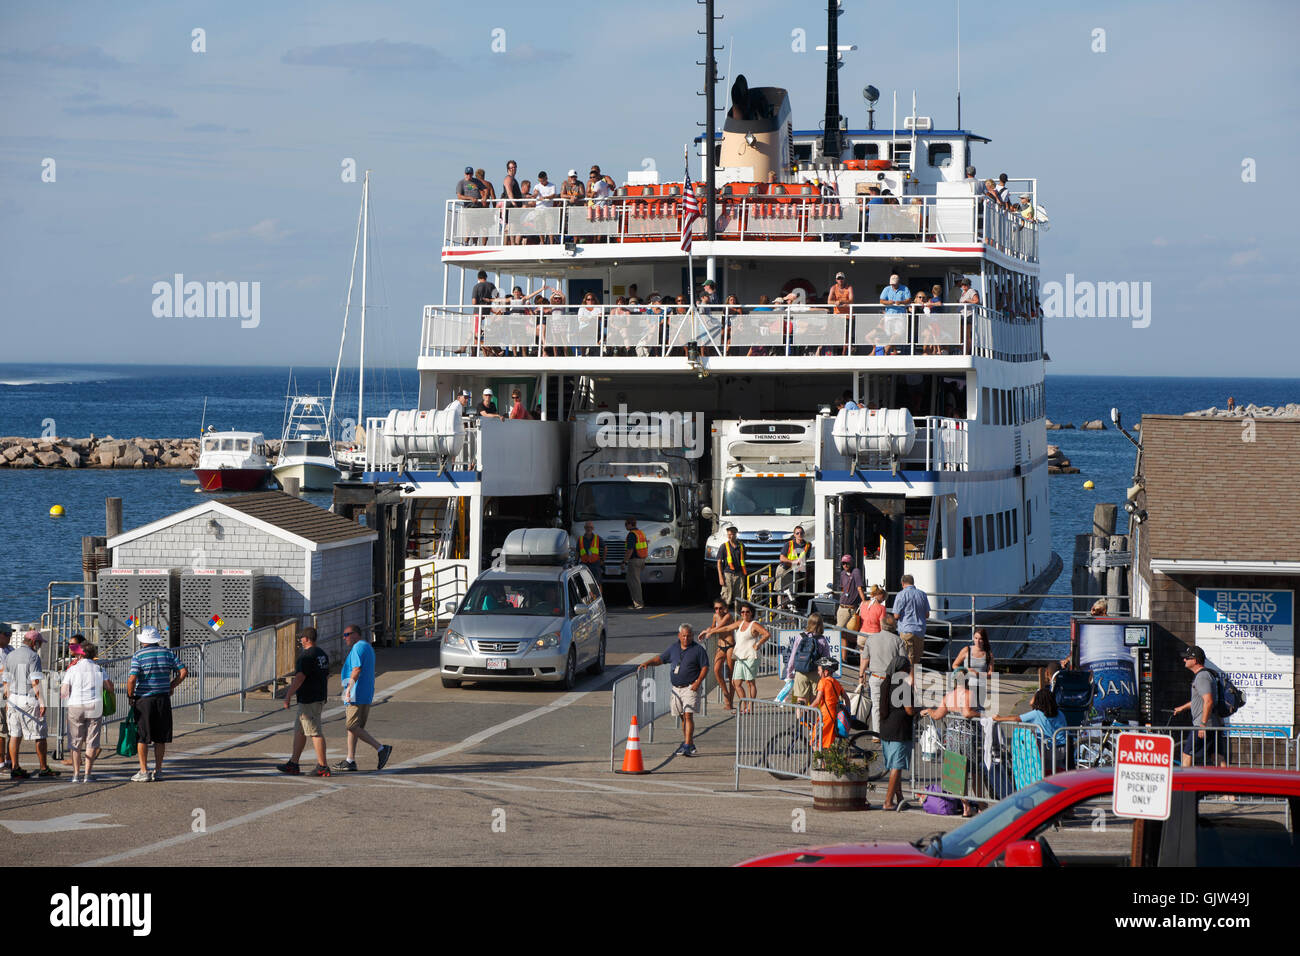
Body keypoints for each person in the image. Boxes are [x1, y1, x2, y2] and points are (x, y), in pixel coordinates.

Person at [125, 625, 187, 782]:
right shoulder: (167, 653)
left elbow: (132, 678)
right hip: (162, 699)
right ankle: (158, 770)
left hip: (144, 699)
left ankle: (143, 770)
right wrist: (171, 686)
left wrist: (130, 695)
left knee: (143, 736)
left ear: (143, 641)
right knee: (160, 737)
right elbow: (183, 671)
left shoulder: (138, 655)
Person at [638, 624, 708, 756]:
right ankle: (689, 742)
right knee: (682, 716)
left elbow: (705, 667)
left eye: (688, 636)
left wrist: (698, 682)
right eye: (684, 636)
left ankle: (687, 745)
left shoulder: (698, 650)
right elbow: (661, 659)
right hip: (677, 688)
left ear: (692, 636)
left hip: (690, 687)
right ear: (679, 636)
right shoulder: (674, 648)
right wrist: (647, 663)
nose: (686, 638)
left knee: (688, 715)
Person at [335, 625, 392, 772]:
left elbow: (356, 669)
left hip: (356, 694)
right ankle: (350, 760)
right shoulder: (367, 647)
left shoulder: (357, 648)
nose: (345, 638)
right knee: (355, 728)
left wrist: (348, 689)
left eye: (347, 634)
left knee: (351, 726)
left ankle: (381, 748)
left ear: (355, 634)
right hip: (365, 694)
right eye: (344, 635)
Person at [4, 630, 59, 778]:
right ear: (34, 643)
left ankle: (15, 768)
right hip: (28, 698)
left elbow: (6, 680)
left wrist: (8, 700)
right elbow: (35, 681)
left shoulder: (10, 655)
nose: (40, 646)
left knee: (14, 735)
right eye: (40, 643)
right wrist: (42, 702)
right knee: (39, 734)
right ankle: (43, 768)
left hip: (13, 698)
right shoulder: (33, 657)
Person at [278, 627, 332, 777]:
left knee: (315, 732)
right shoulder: (322, 654)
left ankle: (323, 766)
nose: (300, 640)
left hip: (310, 699)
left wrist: (288, 695)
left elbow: (300, 677)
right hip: (317, 696)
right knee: (300, 730)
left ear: (307, 639)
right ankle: (293, 763)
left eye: (301, 638)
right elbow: (326, 675)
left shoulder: (306, 656)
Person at [59, 642, 112, 782]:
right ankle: (88, 774)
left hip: (75, 705)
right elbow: (109, 687)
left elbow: (63, 692)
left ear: (81, 654)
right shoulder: (99, 669)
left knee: (75, 741)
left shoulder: (72, 669)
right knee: (92, 740)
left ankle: (76, 774)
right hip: (94, 705)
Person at [706, 604, 770, 712]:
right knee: (736, 683)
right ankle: (744, 705)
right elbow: (726, 628)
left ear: (751, 613)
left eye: (747, 612)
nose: (744, 614)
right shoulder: (740, 623)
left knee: (750, 682)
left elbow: (766, 634)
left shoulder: (754, 624)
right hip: (740, 656)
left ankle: (750, 707)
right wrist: (709, 631)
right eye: (742, 612)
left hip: (751, 656)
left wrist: (758, 644)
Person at [1173, 645, 1226, 768]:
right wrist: (1182, 708)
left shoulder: (1202, 676)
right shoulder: (1207, 675)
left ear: (1195, 660)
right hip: (1213, 724)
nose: (1184, 660)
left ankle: (1185, 785)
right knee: (1217, 756)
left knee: (1186, 755)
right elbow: (1201, 700)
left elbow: (1208, 701)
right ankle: (1227, 784)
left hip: (1203, 725)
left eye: (1187, 658)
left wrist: (1203, 724)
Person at [879, 654, 916, 811]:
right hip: (899, 730)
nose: (909, 671)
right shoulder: (903, 685)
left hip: (886, 729)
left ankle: (899, 798)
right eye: (907, 669)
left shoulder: (885, 683)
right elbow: (909, 710)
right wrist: (919, 709)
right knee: (897, 766)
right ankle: (888, 802)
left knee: (896, 765)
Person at [860, 612, 906, 733]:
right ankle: (888, 731)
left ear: (881, 625)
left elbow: (865, 659)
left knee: (876, 706)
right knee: (891, 706)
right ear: (894, 626)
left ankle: (876, 733)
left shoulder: (871, 639)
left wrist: (861, 675)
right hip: (892, 678)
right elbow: (903, 662)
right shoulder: (898, 641)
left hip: (875, 676)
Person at [783, 612, 828, 706]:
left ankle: (800, 720)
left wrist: (789, 672)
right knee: (814, 701)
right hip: (816, 672)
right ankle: (811, 720)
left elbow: (793, 656)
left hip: (800, 671)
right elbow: (826, 659)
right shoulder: (822, 640)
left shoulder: (800, 637)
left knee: (801, 700)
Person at [699, 600, 736, 711]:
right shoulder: (715, 616)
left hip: (729, 645)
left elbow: (720, 627)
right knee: (716, 670)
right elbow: (712, 627)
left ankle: (730, 702)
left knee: (730, 674)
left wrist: (708, 632)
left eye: (720, 608)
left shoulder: (728, 616)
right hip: (720, 646)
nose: (718, 611)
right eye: (716, 608)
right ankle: (726, 693)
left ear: (725, 608)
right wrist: (706, 631)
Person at [891, 573, 930, 670]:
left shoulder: (901, 595)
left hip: (906, 630)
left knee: (907, 658)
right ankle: (914, 681)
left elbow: (896, 615)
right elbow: (927, 615)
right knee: (916, 660)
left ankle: (908, 682)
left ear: (903, 583)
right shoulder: (922, 594)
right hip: (920, 630)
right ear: (913, 583)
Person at [809, 657, 848, 751]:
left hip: (825, 717)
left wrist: (807, 708)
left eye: (819, 670)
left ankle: (822, 765)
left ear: (825, 672)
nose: (818, 673)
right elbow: (846, 698)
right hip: (834, 716)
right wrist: (847, 712)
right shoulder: (836, 682)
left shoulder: (823, 682)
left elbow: (818, 700)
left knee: (815, 742)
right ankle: (826, 764)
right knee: (827, 743)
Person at [953, 626, 995, 704]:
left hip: (980, 687)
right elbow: (955, 665)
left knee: (978, 709)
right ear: (973, 637)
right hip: (965, 685)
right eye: (975, 638)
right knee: (965, 710)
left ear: (984, 640)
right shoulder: (966, 650)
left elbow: (991, 674)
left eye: (980, 639)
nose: (977, 641)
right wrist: (965, 670)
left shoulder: (989, 655)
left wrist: (977, 674)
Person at [776, 525, 811, 607]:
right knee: (780, 591)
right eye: (797, 533)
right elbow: (782, 558)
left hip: (795, 570)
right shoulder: (789, 544)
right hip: (784, 568)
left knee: (793, 593)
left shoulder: (808, 545)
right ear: (794, 535)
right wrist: (793, 562)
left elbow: (805, 558)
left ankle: (789, 610)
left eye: (801, 533)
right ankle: (780, 609)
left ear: (804, 534)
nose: (799, 534)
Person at [716, 524, 747, 611]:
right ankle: (724, 618)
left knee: (740, 598)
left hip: (739, 574)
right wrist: (720, 577)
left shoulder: (741, 546)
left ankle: (739, 619)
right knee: (726, 597)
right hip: (728, 574)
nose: (730, 536)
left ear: (736, 534)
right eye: (729, 534)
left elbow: (744, 560)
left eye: (732, 534)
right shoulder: (724, 546)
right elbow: (719, 563)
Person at [622, 518, 647, 610]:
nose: (625, 526)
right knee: (632, 581)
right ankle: (636, 602)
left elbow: (630, 550)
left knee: (634, 583)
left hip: (634, 561)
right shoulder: (641, 533)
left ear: (630, 524)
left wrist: (624, 561)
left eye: (626, 524)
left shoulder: (632, 535)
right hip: (641, 560)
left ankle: (638, 603)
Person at [879, 273, 911, 344]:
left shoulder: (905, 288)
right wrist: (889, 302)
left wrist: (901, 302)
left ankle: (886, 349)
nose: (893, 285)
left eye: (894, 284)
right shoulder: (887, 289)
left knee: (898, 333)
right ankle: (893, 350)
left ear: (898, 282)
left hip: (901, 314)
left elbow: (909, 300)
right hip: (889, 314)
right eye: (892, 284)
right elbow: (881, 300)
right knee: (889, 334)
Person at [834, 554, 865, 629]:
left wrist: (864, 602)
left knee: (849, 633)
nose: (845, 565)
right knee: (839, 631)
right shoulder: (842, 574)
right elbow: (843, 589)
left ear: (851, 563)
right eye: (843, 563)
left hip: (852, 608)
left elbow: (859, 588)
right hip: (844, 608)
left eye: (847, 563)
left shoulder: (856, 571)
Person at [0, 623, 11, 770]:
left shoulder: (10, 650)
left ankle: (10, 758)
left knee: (12, 729)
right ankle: (1, 759)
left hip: (11, 692)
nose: (10, 637)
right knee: (1, 729)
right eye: (7, 635)